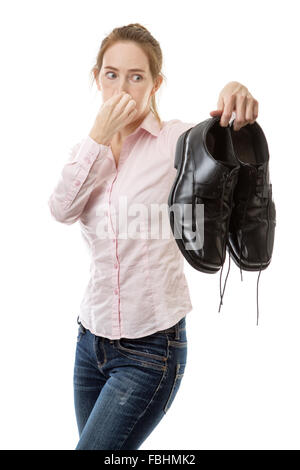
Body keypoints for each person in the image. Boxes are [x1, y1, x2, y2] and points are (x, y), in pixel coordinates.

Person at [48, 22, 197, 450]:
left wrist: (234, 90)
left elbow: (224, 141)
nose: (123, 88)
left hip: (150, 351)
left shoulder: (176, 142)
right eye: (112, 74)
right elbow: (61, 209)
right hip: (89, 344)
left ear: (155, 84)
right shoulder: (86, 149)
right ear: (98, 79)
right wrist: (97, 139)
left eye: (137, 77)